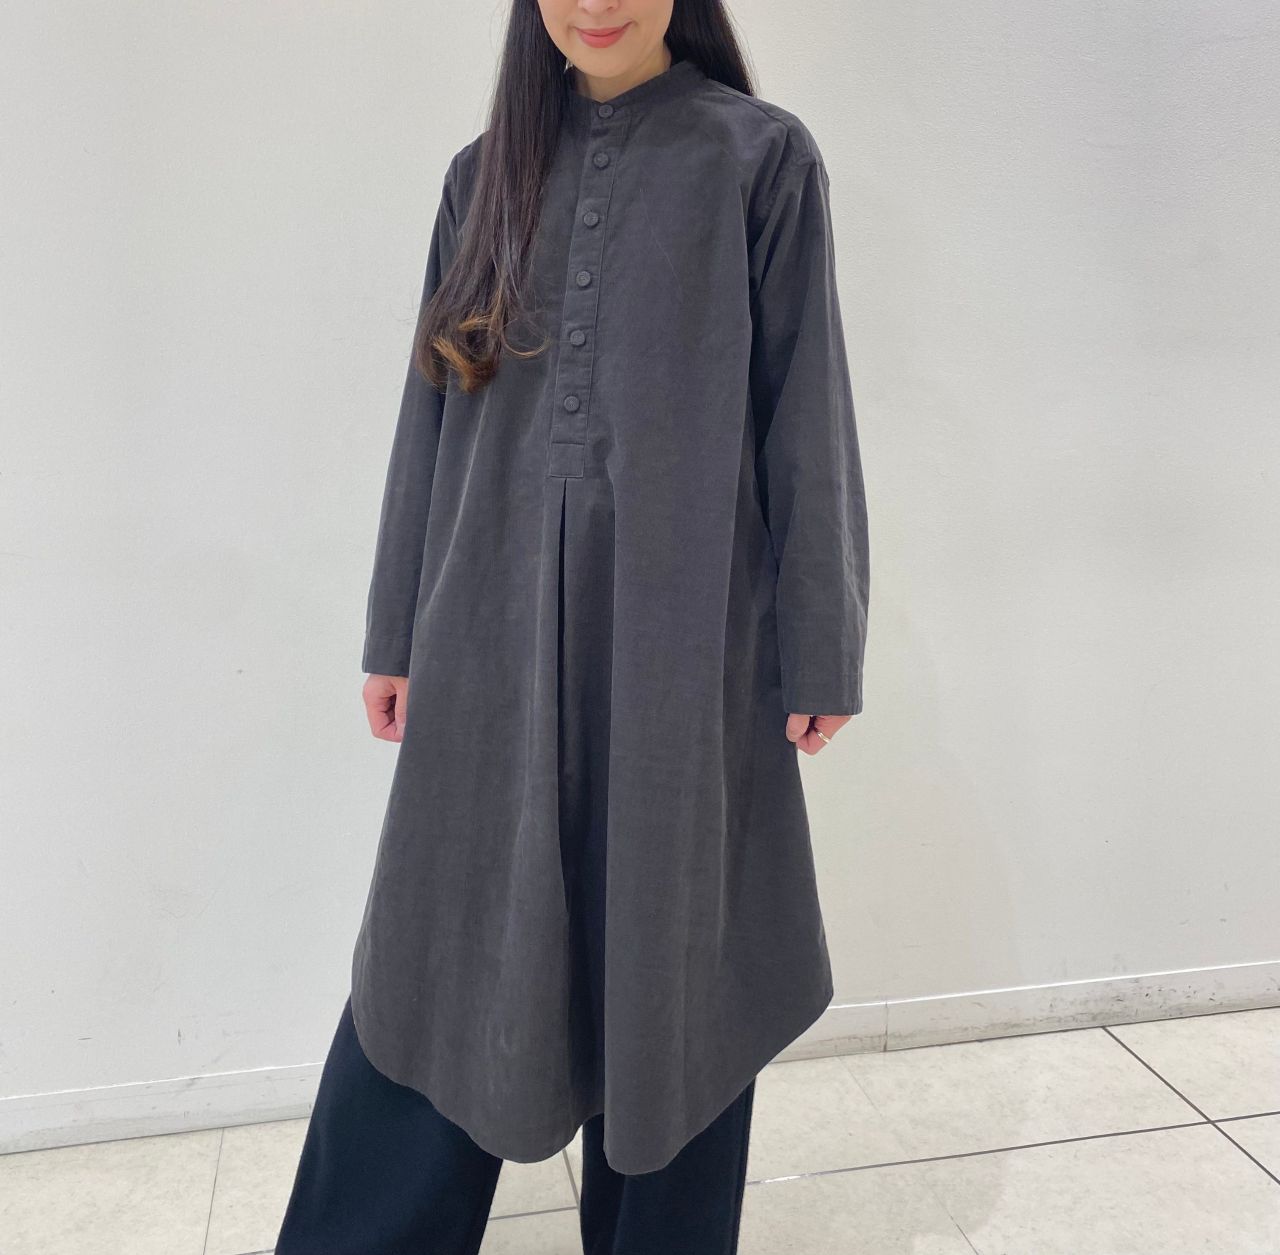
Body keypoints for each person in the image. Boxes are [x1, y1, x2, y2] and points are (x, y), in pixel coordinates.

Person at [276, 1, 869, 1251]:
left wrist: (819, 643)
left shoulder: (759, 158)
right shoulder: (480, 176)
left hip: (679, 646)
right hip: (481, 632)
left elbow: (802, 410)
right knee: (435, 960)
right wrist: (395, 630)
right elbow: (431, 415)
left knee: (672, 969)